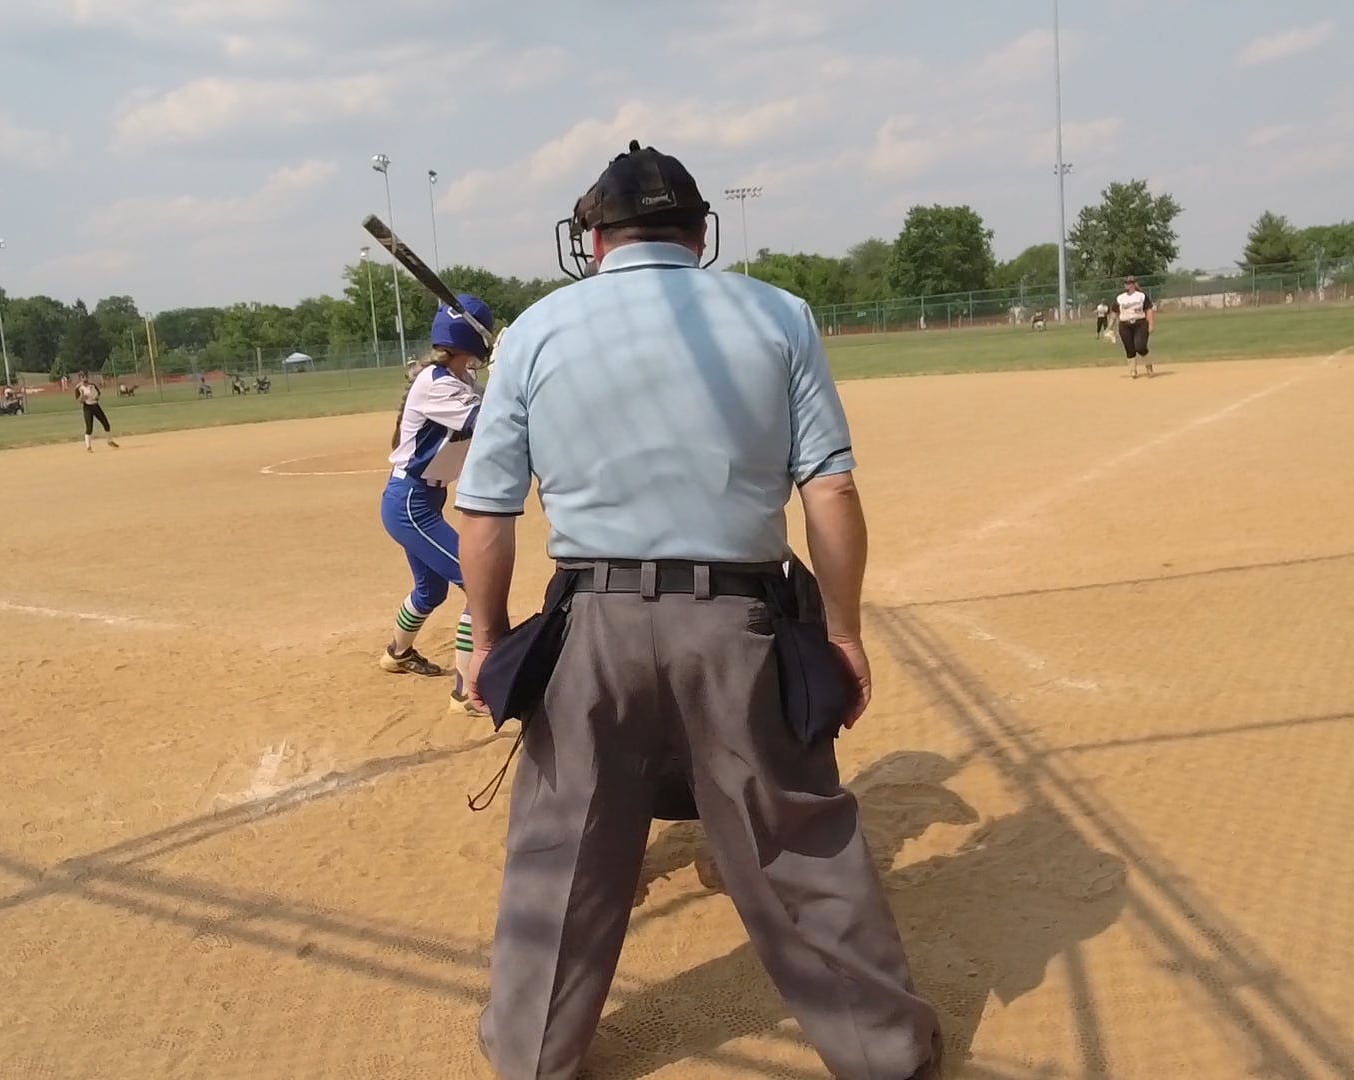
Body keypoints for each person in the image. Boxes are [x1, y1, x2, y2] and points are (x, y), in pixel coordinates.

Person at [454, 142, 940, 1080]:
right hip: (737, 623)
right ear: (700, 233)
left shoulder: (536, 330)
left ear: (594, 239)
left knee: (563, 851)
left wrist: (489, 639)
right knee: (795, 843)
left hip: (591, 622)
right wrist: (843, 634)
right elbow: (830, 491)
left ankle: (531, 1054)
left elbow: (485, 514)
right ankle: (884, 1057)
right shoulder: (777, 313)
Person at [376, 293, 497, 718]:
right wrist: (505, 371)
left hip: (421, 499)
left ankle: (397, 653)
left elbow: (488, 401)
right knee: (476, 581)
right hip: (410, 503)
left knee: (431, 589)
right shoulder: (438, 382)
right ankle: (464, 693)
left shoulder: (459, 379)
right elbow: (488, 420)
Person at [1115, 275, 1156, 377]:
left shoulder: (1141, 296)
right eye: (1126, 283)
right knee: (1129, 349)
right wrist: (1110, 327)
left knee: (1140, 347)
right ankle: (1133, 370)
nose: (1128, 285)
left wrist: (1151, 324)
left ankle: (1149, 366)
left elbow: (1148, 310)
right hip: (1125, 325)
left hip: (1140, 323)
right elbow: (1115, 312)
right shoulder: (1120, 297)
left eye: (1130, 283)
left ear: (1134, 284)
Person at [75, 372, 119, 452]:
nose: (85, 378)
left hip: (96, 406)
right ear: (80, 378)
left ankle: (110, 441)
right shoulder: (78, 388)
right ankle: (88, 447)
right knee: (89, 428)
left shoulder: (92, 385)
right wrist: (82, 397)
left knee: (106, 423)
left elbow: (98, 394)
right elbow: (79, 400)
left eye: (86, 376)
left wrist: (95, 397)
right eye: (82, 377)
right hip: (87, 408)